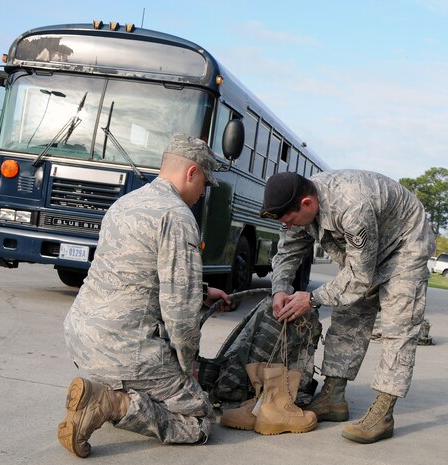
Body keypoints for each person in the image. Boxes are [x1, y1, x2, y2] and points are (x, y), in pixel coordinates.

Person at [57, 134, 233, 458]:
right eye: (204, 184)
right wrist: (187, 364)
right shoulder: (177, 217)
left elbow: (132, 272)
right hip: (125, 350)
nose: (201, 194)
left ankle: (108, 391)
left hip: (81, 338)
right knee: (200, 420)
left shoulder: (125, 203)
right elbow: (180, 314)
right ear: (191, 173)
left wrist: (203, 291)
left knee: (155, 382)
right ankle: (111, 402)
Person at [260, 170, 435, 444]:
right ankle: (334, 397)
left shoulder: (353, 206)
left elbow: (359, 277)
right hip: (364, 252)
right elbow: (288, 251)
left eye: (291, 220)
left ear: (307, 204)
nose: (290, 227)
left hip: (404, 245)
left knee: (398, 325)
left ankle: (383, 412)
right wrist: (280, 288)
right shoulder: (298, 207)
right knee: (347, 315)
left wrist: (312, 298)